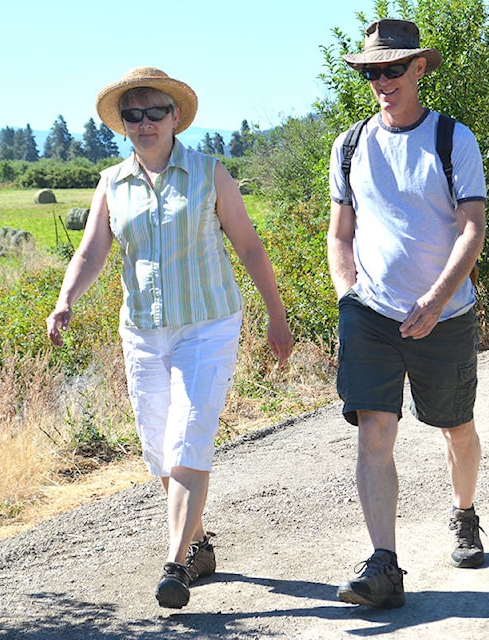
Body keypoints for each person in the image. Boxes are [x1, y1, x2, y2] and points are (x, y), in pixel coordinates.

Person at [45, 67, 294, 610]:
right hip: (142, 332)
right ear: (123, 125)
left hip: (208, 325)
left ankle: (174, 563)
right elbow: (91, 252)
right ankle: (200, 545)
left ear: (176, 117)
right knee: (161, 449)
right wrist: (66, 299)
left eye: (156, 112)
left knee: (189, 437)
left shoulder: (209, 173)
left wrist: (277, 315)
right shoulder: (112, 183)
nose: (145, 122)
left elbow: (249, 246)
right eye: (133, 115)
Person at [326, 18, 487, 609]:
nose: (382, 80)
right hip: (370, 314)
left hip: (445, 315)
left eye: (393, 68)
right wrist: (347, 291)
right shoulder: (349, 145)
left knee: (456, 427)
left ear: (419, 68)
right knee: (375, 431)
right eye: (373, 71)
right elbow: (339, 233)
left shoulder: (452, 139)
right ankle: (384, 566)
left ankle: (465, 514)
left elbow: (473, 228)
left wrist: (437, 298)